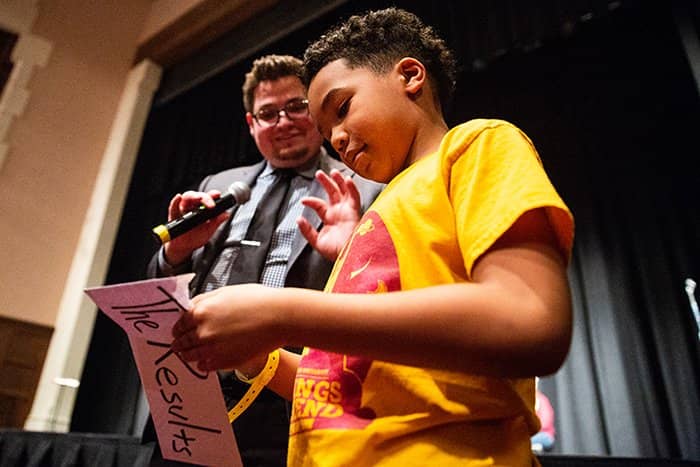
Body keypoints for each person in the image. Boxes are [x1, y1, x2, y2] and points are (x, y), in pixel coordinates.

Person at [171, 8, 575, 466]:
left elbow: (530, 321)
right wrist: (259, 359)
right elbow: (347, 378)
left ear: (409, 75)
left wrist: (280, 312)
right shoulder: (376, 210)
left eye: (342, 109)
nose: (338, 139)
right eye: (327, 134)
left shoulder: (475, 145)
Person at [144, 54, 382, 466]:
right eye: (268, 113)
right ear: (252, 125)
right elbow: (162, 280)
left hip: (291, 391)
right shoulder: (216, 187)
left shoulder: (364, 186)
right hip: (194, 389)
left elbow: (376, 288)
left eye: (296, 107)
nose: (284, 121)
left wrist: (346, 249)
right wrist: (177, 251)